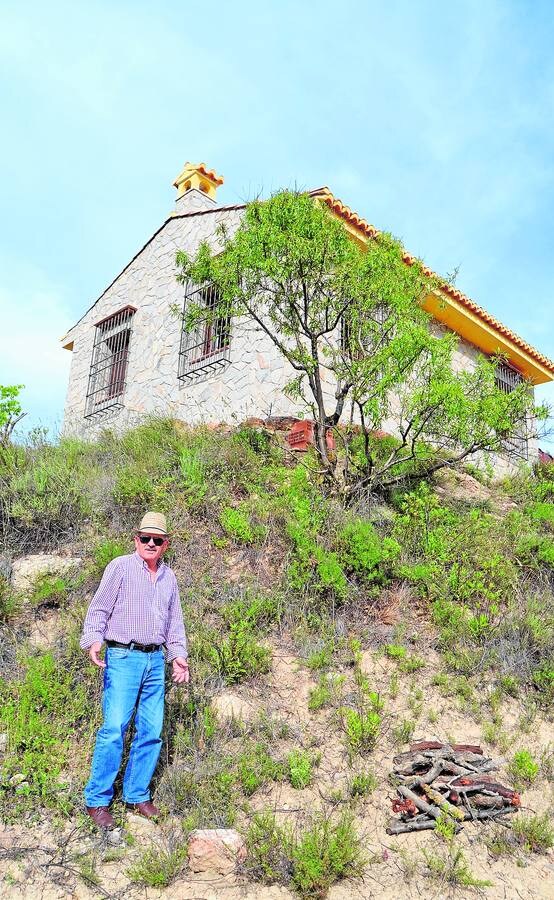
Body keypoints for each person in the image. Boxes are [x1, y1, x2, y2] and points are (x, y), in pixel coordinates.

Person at [80, 511, 189, 828]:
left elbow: (174, 623)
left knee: (151, 732)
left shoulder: (169, 578)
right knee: (114, 729)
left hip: (156, 661)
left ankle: (136, 794)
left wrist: (177, 655)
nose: (151, 544)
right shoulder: (120, 567)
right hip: (124, 657)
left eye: (158, 540)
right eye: (146, 538)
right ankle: (97, 800)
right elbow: (99, 607)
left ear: (165, 544)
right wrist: (94, 640)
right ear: (136, 539)